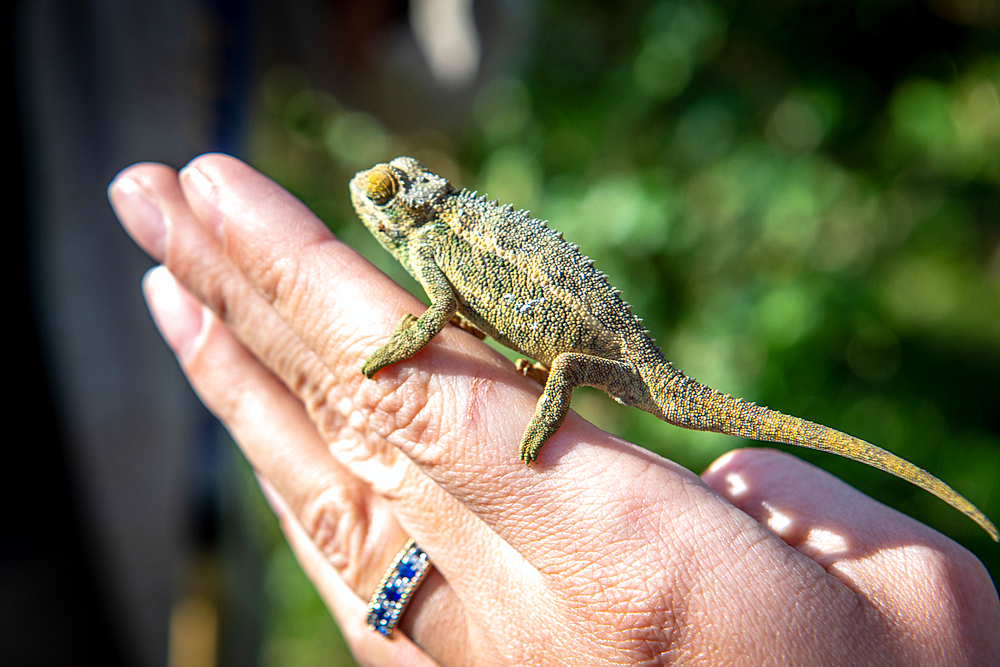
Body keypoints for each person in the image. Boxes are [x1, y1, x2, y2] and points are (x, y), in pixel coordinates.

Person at [109, 154, 999, 665]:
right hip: (580, 344)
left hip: (592, 354)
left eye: (385, 191)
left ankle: (554, 390)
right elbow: (454, 308)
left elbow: (429, 318)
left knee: (565, 365)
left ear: (407, 203)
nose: (377, 202)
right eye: (384, 191)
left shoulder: (434, 234)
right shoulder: (440, 231)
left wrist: (386, 360)